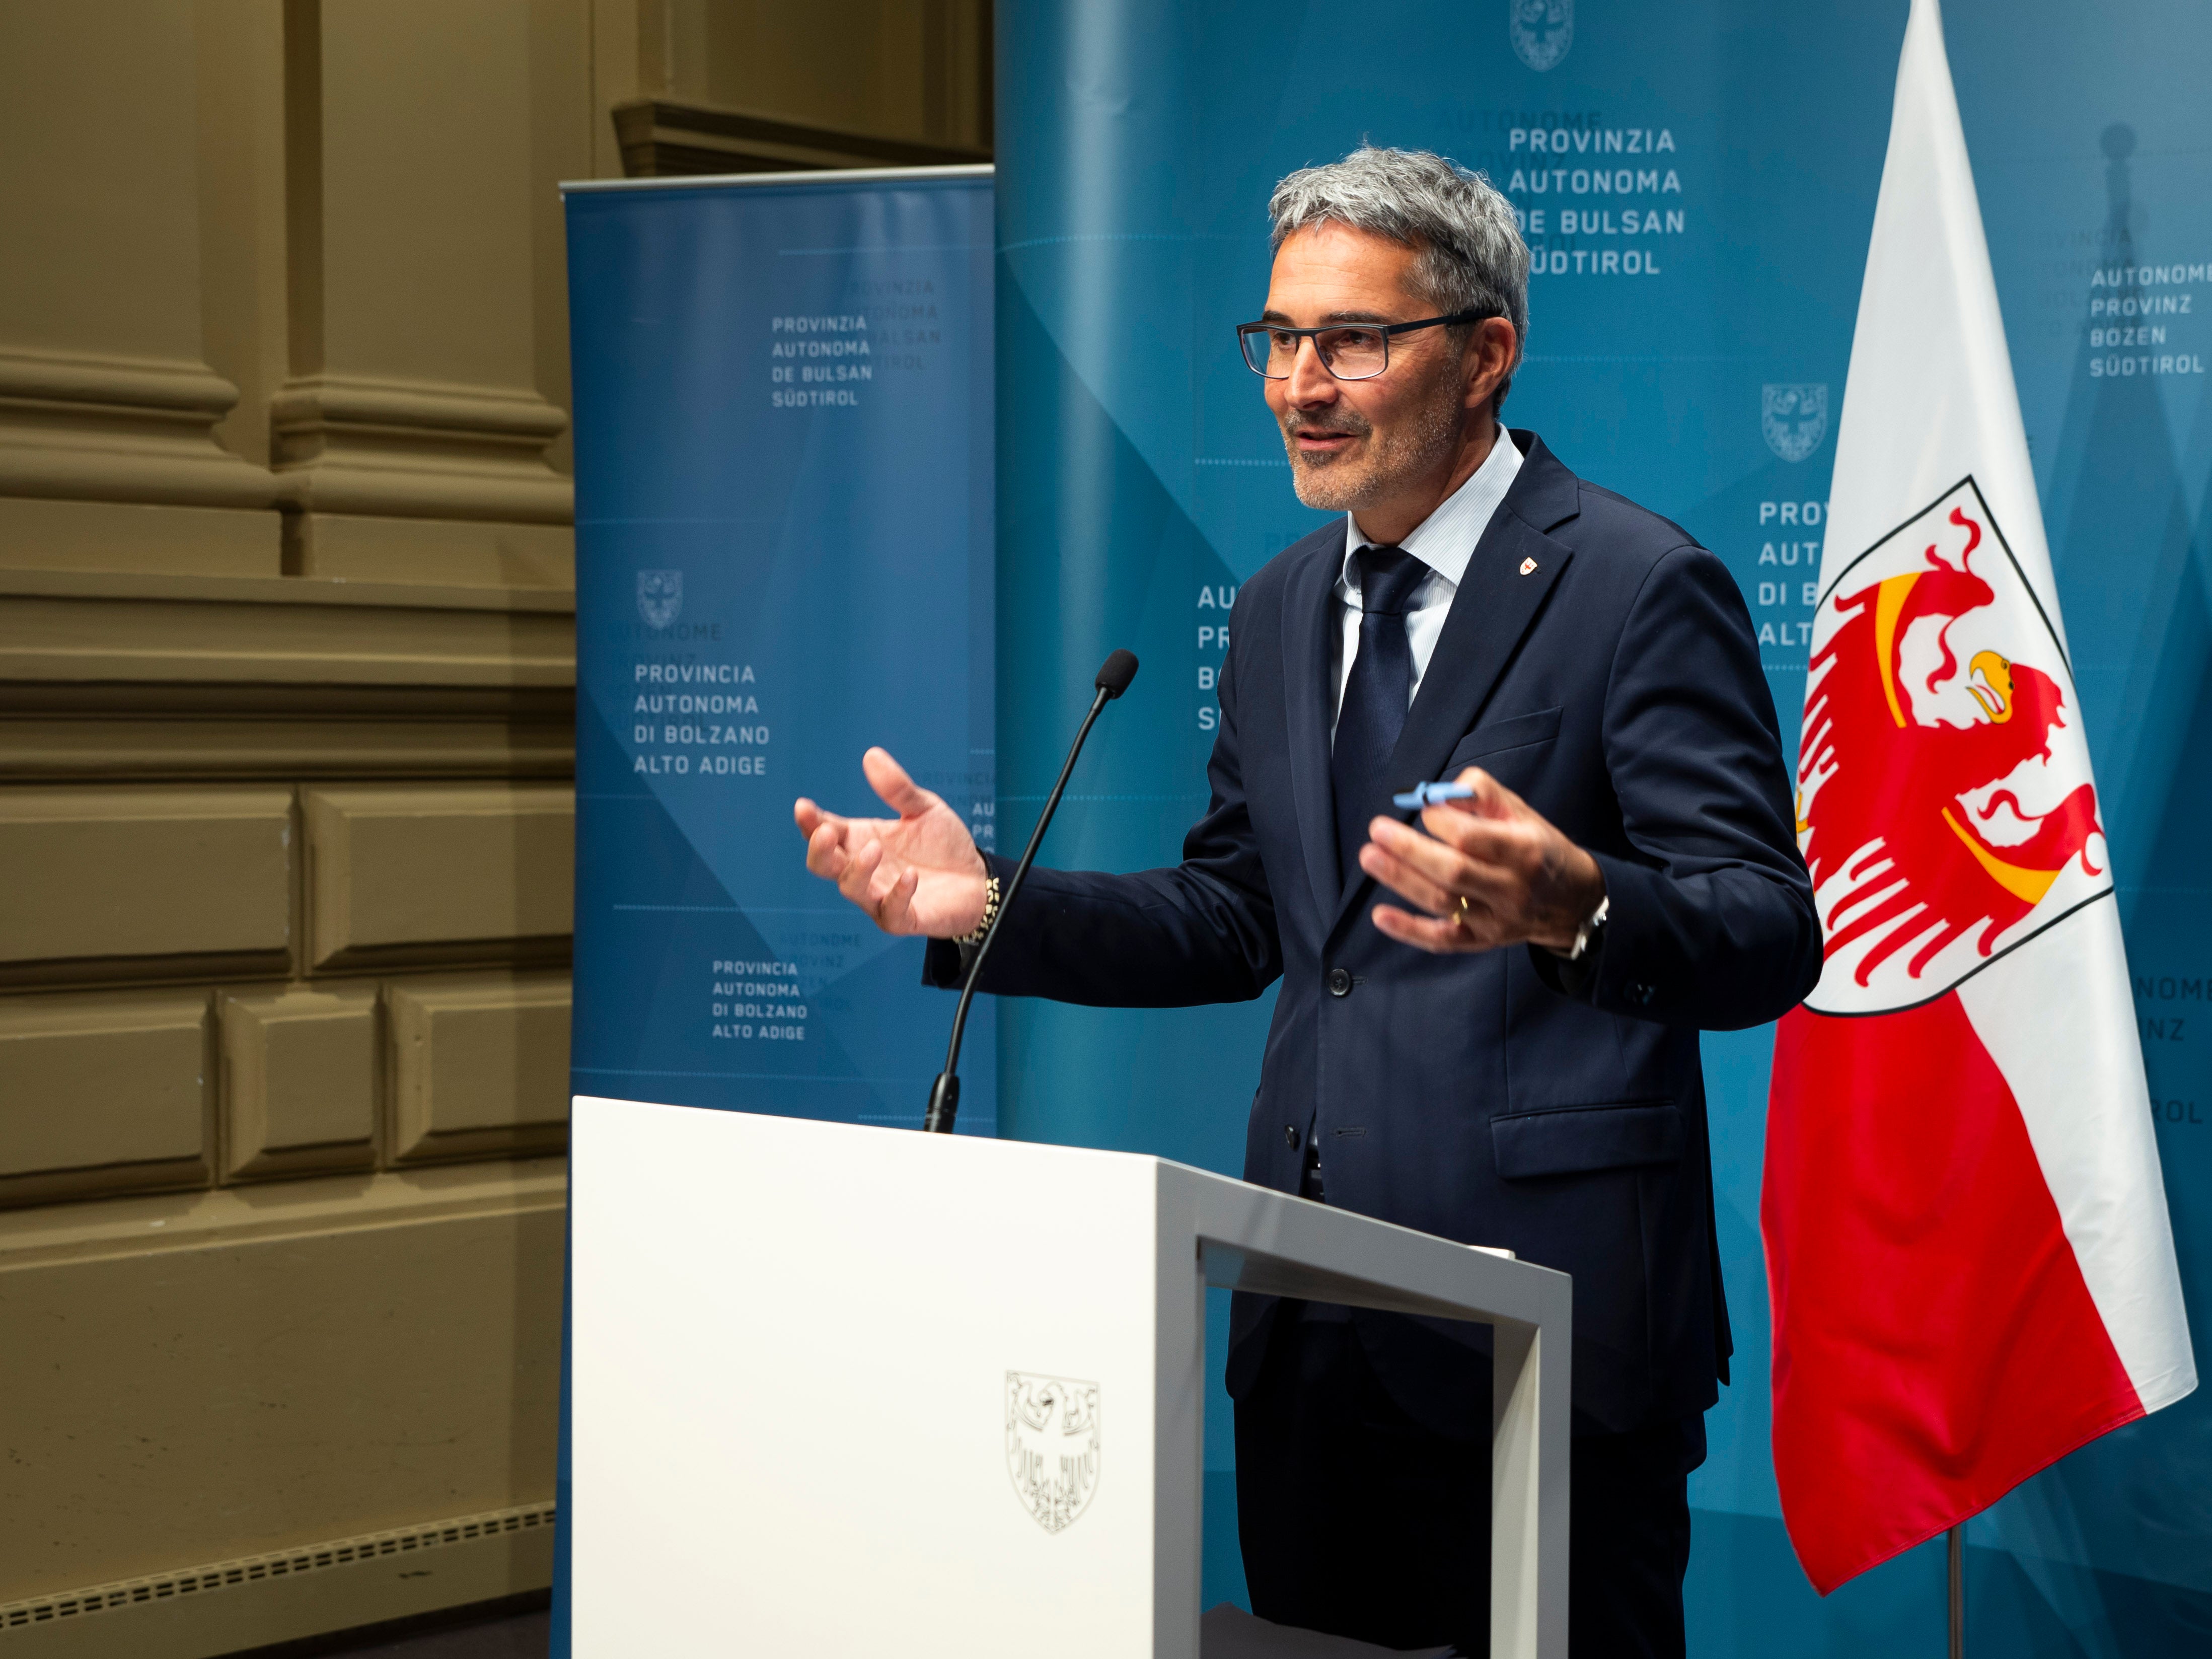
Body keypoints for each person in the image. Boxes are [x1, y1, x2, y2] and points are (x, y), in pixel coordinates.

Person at [793, 146, 1819, 1657]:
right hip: (1309, 1330)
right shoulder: (1281, 604)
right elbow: (1241, 915)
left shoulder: (1633, 583)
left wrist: (1580, 905)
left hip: (1542, 1337)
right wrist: (981, 903)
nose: (1298, 387)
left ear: (1485, 354)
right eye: (1277, 341)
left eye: (1351, 341)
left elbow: (1765, 927)